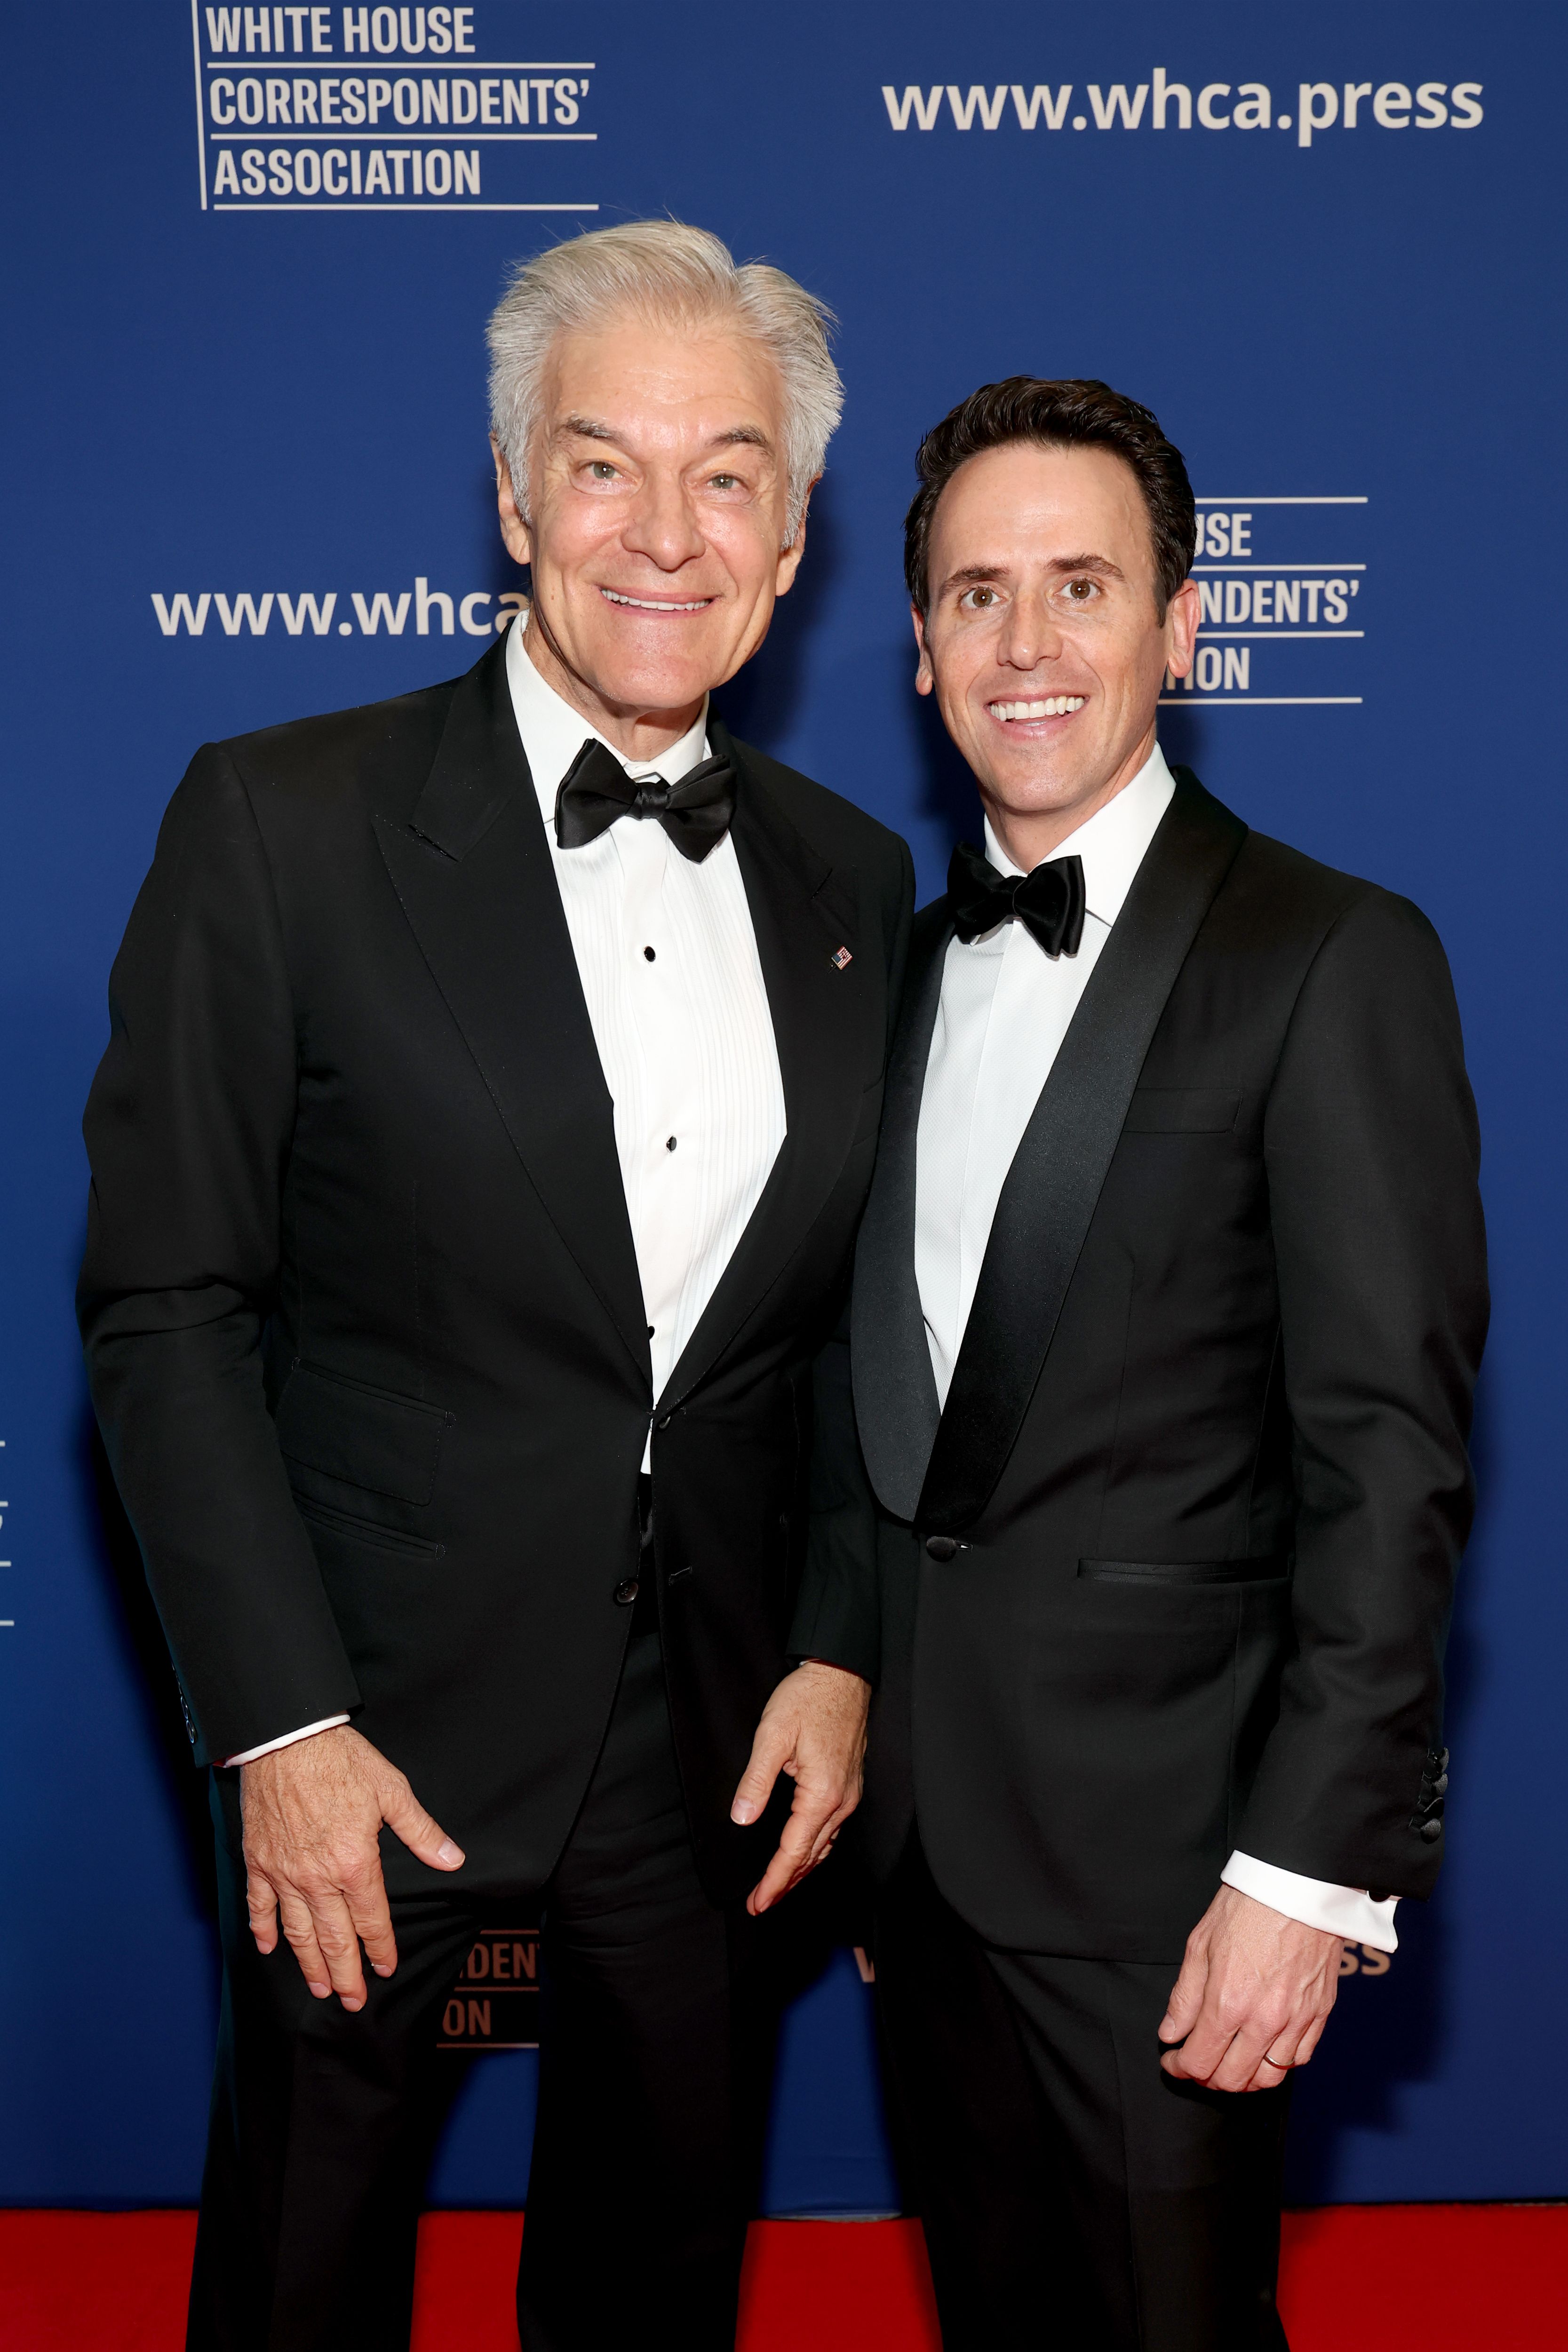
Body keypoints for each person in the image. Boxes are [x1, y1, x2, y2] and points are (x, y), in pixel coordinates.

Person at [78, 219, 910, 2352]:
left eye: (728, 472)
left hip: (712, 1738)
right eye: (602, 462)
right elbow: (169, 1302)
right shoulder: (282, 821)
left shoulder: (852, 874)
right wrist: (280, 1720)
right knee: (307, 2256)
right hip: (372, 1715)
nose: (664, 529)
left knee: (658, 2263)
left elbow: (840, 1325)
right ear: (516, 494)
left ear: (797, 532)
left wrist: (832, 1644)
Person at [796, 377, 1488, 2349]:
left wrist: (1309, 1871)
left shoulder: (1333, 956)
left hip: (1189, 1879)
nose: (1030, 646)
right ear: (920, 646)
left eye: (1083, 586)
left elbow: (1392, 1462)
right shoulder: (902, 973)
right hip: (928, 1870)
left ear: (1182, 625)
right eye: (979, 594)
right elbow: (886, 1411)